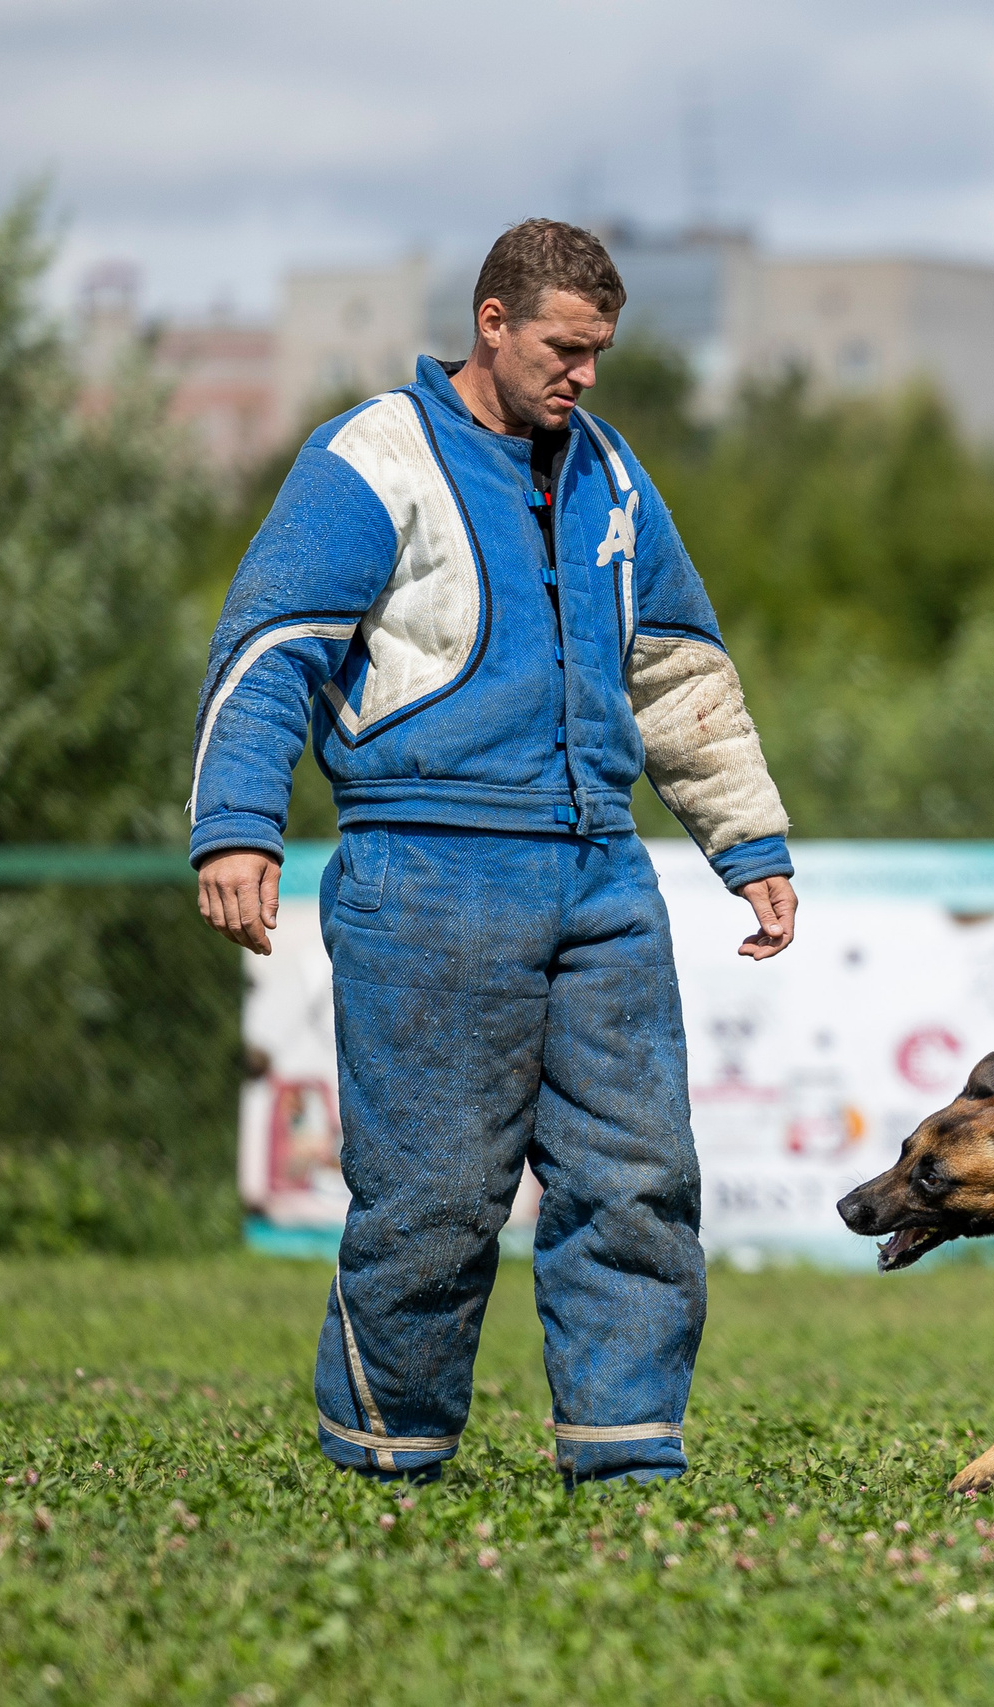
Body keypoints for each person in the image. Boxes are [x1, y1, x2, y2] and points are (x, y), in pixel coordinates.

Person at [188, 219, 796, 1486]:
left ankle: (628, 1464)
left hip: (598, 868)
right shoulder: (373, 457)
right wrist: (239, 827)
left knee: (637, 1180)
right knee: (433, 1201)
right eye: (565, 348)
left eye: (600, 353)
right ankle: (386, 1462)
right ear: (493, 324)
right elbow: (269, 645)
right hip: (428, 871)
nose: (584, 375)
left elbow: (678, 672)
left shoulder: (615, 477)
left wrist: (750, 844)